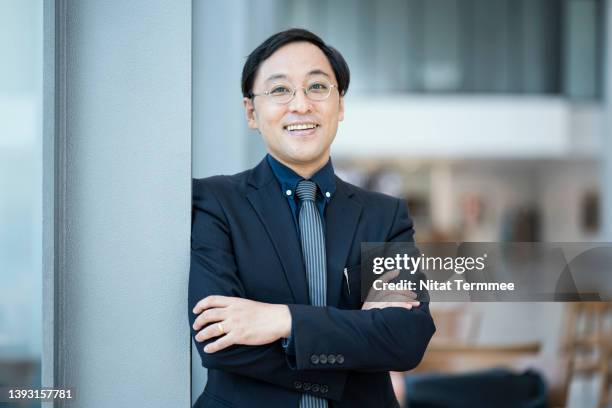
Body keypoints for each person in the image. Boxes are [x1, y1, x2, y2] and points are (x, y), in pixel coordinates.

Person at [189, 28, 435, 408]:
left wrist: (282, 321)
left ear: (340, 106)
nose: (300, 105)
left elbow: (404, 340)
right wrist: (358, 337)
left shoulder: (384, 216)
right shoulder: (215, 202)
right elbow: (218, 341)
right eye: (280, 90)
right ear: (252, 112)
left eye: (317, 87)